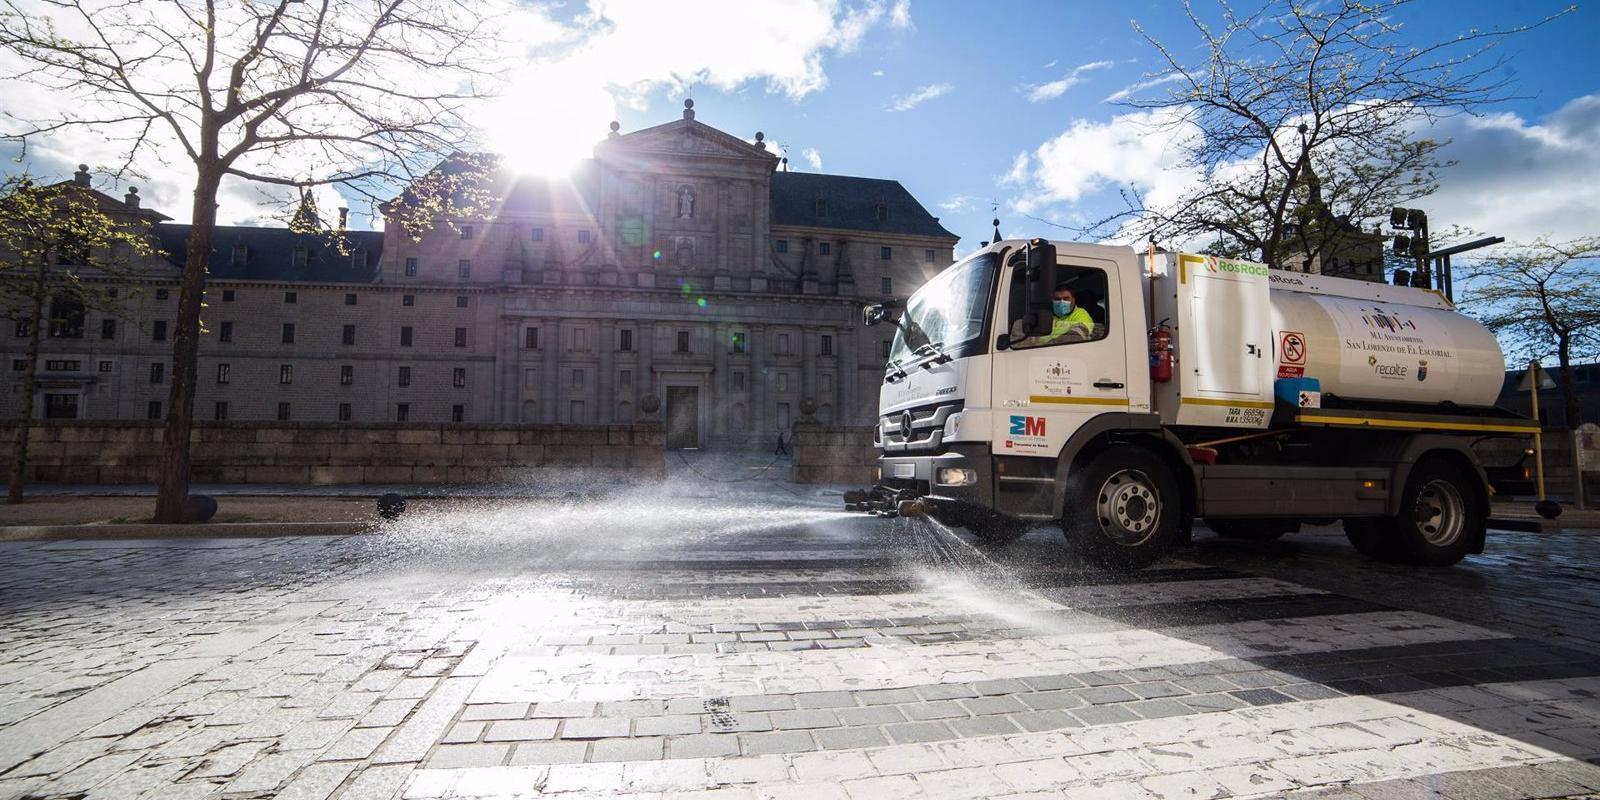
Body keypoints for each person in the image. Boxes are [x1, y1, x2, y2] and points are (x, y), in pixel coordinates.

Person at [1010, 282, 1094, 347]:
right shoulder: (1047, 316)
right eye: (1057, 299)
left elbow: (1076, 337)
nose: (1061, 302)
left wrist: (1043, 348)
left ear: (1073, 300)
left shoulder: (1081, 314)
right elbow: (1031, 337)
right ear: (1052, 301)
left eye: (1066, 298)